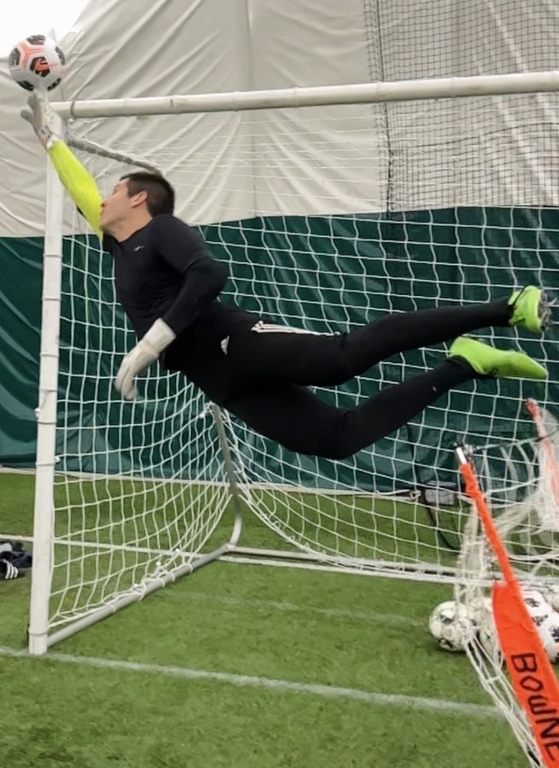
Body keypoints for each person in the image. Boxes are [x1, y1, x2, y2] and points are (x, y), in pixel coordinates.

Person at [22, 91, 551, 460]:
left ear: (139, 199)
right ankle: (465, 364)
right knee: (335, 440)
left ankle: (507, 309)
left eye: (114, 190)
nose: (103, 199)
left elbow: (208, 275)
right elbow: (79, 189)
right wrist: (49, 138)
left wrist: (149, 345)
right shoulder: (118, 242)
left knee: (341, 361)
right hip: (217, 378)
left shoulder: (161, 229)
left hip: (231, 340)